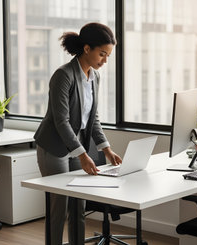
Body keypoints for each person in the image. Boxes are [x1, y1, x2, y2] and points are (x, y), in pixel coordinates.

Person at [34, 22, 122, 245]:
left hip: (76, 145)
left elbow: (93, 119)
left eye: (108, 55)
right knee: (59, 207)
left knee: (79, 205)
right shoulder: (63, 76)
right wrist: (83, 155)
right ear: (87, 49)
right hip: (53, 147)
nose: (105, 60)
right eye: (102, 54)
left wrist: (106, 149)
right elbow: (61, 121)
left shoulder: (95, 77)